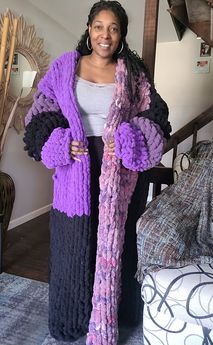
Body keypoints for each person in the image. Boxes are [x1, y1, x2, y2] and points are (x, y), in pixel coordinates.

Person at [23, 1, 171, 344]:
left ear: (121, 35)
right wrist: (60, 141)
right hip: (75, 168)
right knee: (73, 245)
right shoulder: (64, 67)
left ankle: (116, 315)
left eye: (114, 28)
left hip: (119, 173)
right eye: (99, 26)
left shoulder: (133, 75)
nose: (106, 35)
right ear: (89, 30)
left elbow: (157, 119)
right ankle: (71, 319)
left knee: (119, 243)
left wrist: (129, 138)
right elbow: (39, 116)